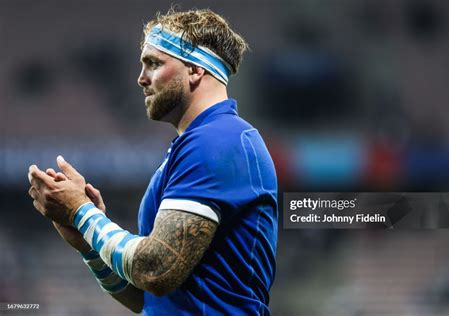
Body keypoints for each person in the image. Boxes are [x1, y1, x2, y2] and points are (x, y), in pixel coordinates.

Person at [27, 8, 278, 315]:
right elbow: (147, 297)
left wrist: (82, 213)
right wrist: (88, 244)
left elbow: (155, 269)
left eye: (154, 63)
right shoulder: (197, 144)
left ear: (196, 69)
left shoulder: (217, 141)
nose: (141, 78)